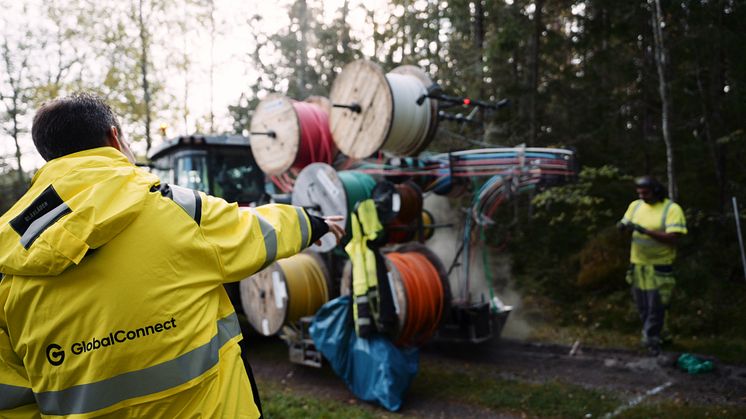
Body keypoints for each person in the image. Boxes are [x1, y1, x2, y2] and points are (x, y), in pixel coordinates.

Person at [0, 93, 344, 418]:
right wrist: (313, 223)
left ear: (48, 155)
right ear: (115, 138)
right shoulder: (177, 209)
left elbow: (10, 395)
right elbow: (254, 230)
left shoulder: (8, 256)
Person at [617, 176, 687, 355]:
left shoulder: (671, 209)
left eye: (645, 193)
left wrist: (645, 231)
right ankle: (661, 335)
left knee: (656, 306)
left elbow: (673, 238)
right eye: (639, 193)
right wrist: (623, 228)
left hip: (659, 266)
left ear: (655, 191)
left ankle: (651, 339)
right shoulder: (636, 206)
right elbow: (626, 222)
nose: (642, 196)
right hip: (638, 265)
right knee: (643, 306)